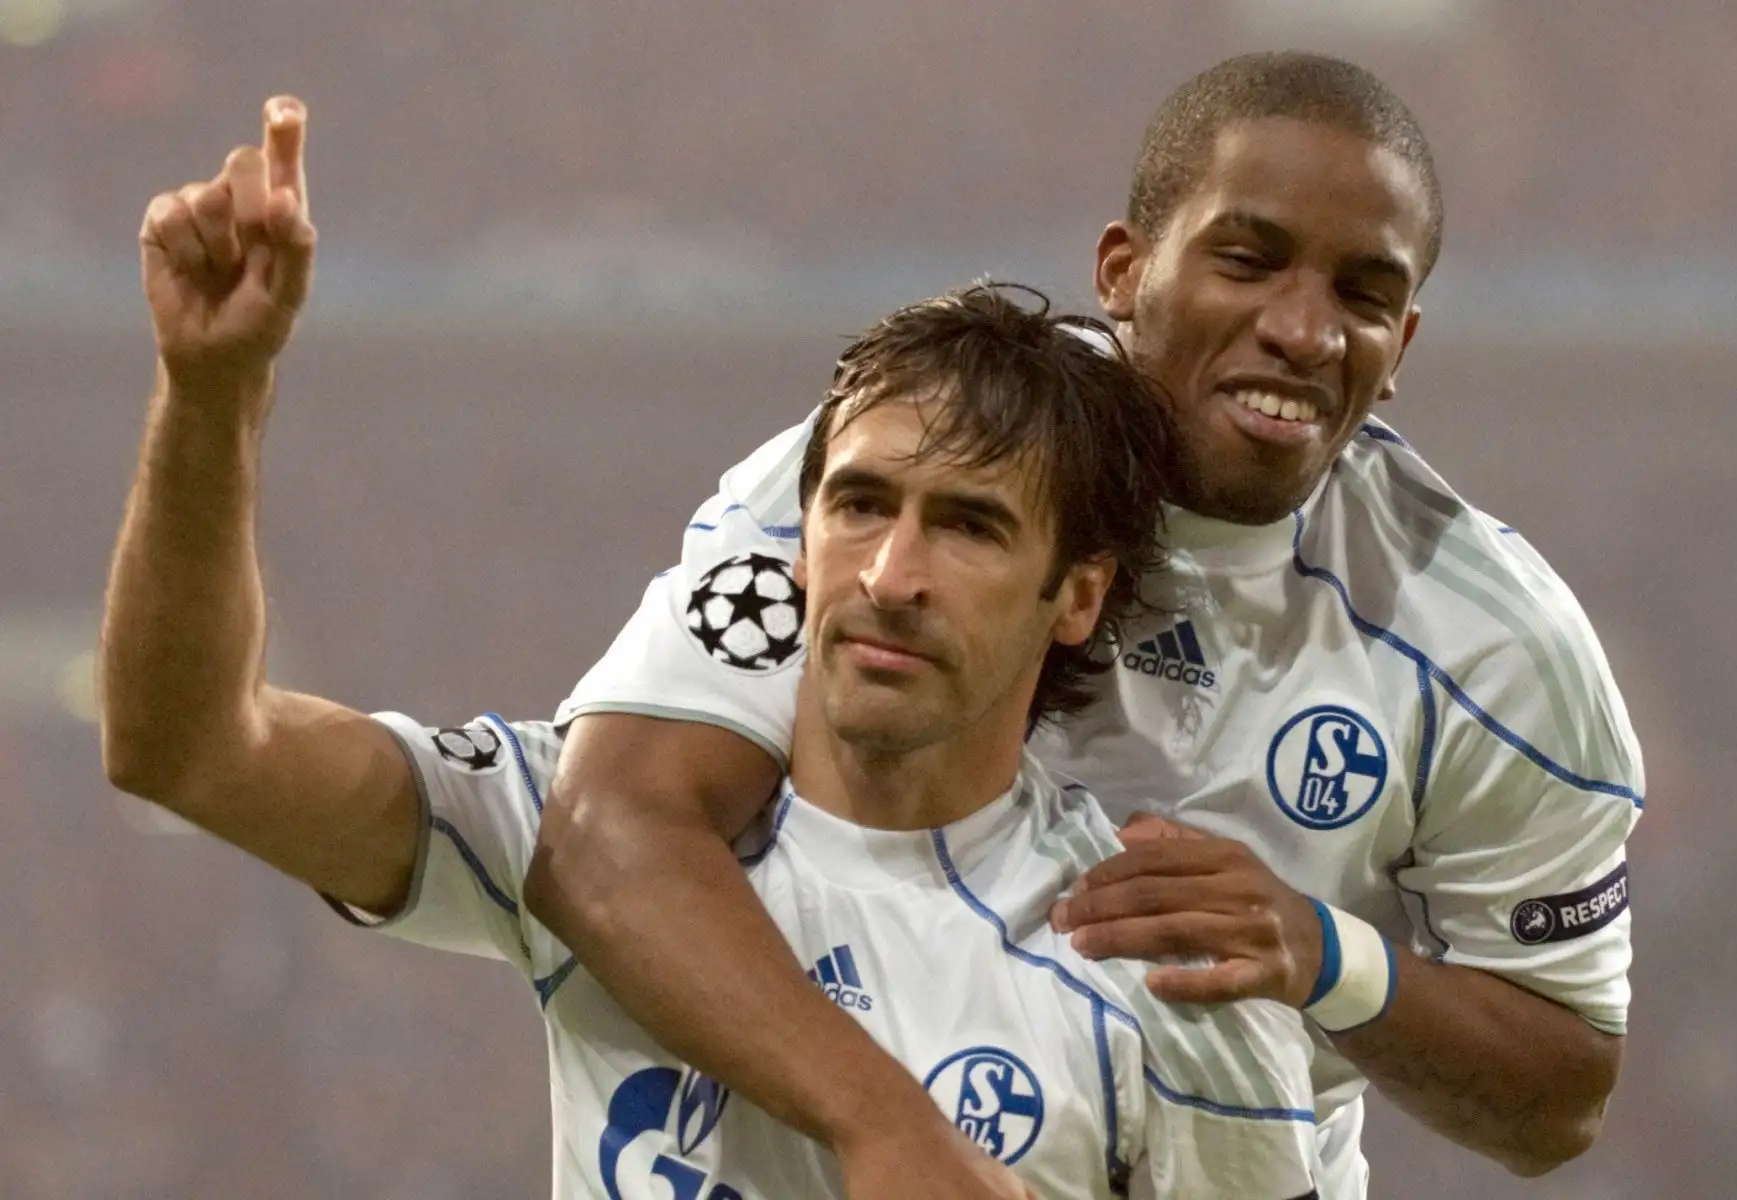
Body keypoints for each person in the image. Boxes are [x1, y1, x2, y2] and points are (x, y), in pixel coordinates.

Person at [99, 123, 1329, 1194]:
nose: (890, 575)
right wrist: (212, 391)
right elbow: (187, 750)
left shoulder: (1169, 980)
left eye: (969, 527)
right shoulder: (565, 825)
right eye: (860, 506)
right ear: (798, 543)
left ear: (1078, 596)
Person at [529, 51, 1645, 1198]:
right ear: (1124, 270)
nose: (1305, 330)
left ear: (1399, 346)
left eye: (1361, 296)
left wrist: (1329, 958)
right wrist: (887, 1126)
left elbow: (1562, 1098)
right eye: (1247, 261)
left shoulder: (1493, 652)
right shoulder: (903, 458)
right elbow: (605, 829)